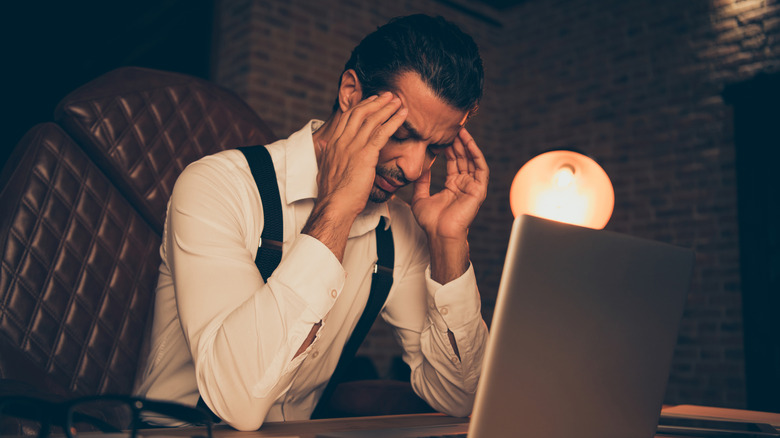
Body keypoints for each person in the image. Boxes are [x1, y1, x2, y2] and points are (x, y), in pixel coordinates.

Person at [133, 14, 490, 431]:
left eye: (436, 148)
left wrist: (449, 243)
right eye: (401, 133)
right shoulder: (218, 186)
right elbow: (237, 403)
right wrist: (337, 208)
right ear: (351, 93)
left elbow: (461, 396)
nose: (413, 168)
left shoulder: (401, 231)